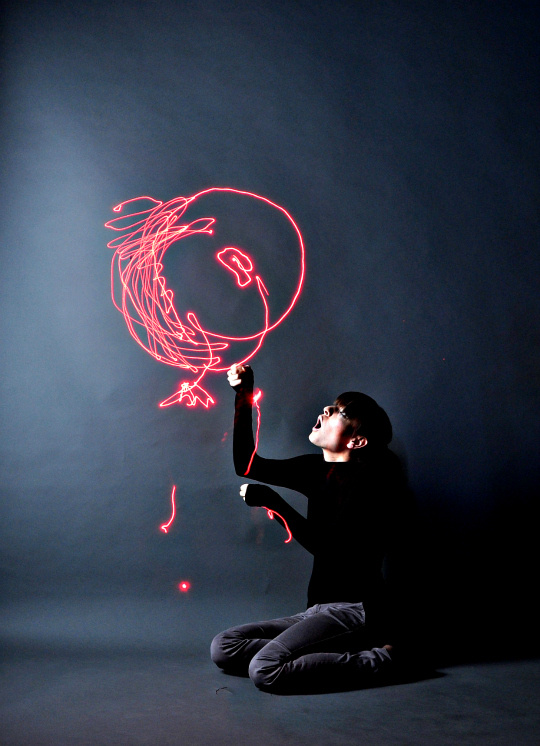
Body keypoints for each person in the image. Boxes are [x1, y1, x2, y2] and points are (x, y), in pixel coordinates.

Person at [210, 364, 408, 694]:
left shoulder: (370, 485)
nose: (327, 409)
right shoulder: (314, 469)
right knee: (224, 646)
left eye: (340, 412)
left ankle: (385, 659)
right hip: (316, 610)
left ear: (357, 440)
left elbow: (328, 548)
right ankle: (312, 652)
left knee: (265, 669)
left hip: (356, 611)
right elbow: (247, 465)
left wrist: (274, 503)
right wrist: (243, 394)